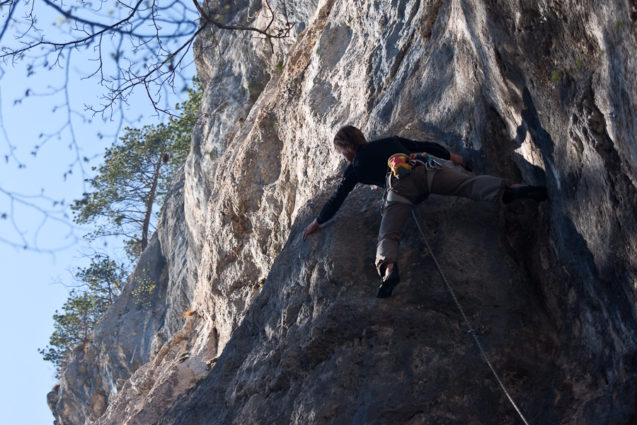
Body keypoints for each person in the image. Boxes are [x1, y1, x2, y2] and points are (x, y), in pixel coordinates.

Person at [302, 125, 547, 298]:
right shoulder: (390, 142)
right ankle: (514, 189)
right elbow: (424, 146)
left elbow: (338, 197)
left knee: (388, 234)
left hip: (401, 189)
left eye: (342, 152)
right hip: (427, 170)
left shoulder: (355, 167)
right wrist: (455, 158)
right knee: (469, 185)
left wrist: (318, 222)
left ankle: (389, 271)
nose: (344, 157)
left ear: (347, 149)